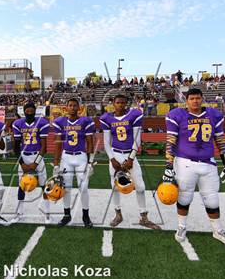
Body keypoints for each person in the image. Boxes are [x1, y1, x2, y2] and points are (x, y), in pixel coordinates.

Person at [164, 88, 225, 248]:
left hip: (208, 162)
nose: (195, 101)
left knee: (212, 199)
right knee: (185, 197)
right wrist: (168, 165)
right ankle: (181, 227)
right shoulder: (177, 115)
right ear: (186, 100)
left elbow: (221, 141)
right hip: (185, 163)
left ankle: (217, 230)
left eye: (198, 98)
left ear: (202, 99)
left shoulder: (213, 115)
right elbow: (170, 141)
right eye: (192, 98)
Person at [100, 94, 160, 229]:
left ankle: (144, 217)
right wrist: (112, 159)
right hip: (115, 154)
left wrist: (131, 158)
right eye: (117, 102)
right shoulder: (107, 118)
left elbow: (137, 139)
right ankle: (118, 214)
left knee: (140, 186)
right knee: (115, 186)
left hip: (129, 154)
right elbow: (106, 142)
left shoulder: (134, 115)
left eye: (123, 102)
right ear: (113, 103)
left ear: (126, 103)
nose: (120, 105)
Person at [52, 98, 95, 227]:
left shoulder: (85, 121)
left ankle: (86, 216)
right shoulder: (60, 122)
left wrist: (90, 162)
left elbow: (90, 142)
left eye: (74, 106)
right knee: (66, 188)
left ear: (79, 108)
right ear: (66, 107)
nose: (72, 108)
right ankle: (66, 215)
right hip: (66, 157)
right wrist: (56, 164)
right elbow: (58, 144)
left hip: (81, 156)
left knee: (84, 187)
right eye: (70, 105)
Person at [11, 103, 51, 223]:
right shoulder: (17, 124)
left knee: (44, 185)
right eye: (27, 112)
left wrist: (36, 163)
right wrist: (22, 163)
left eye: (31, 112)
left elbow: (44, 147)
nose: (29, 114)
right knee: (22, 185)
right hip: (24, 155)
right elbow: (16, 147)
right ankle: (19, 213)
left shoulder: (42, 123)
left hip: (37, 156)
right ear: (24, 112)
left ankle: (47, 213)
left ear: (35, 112)